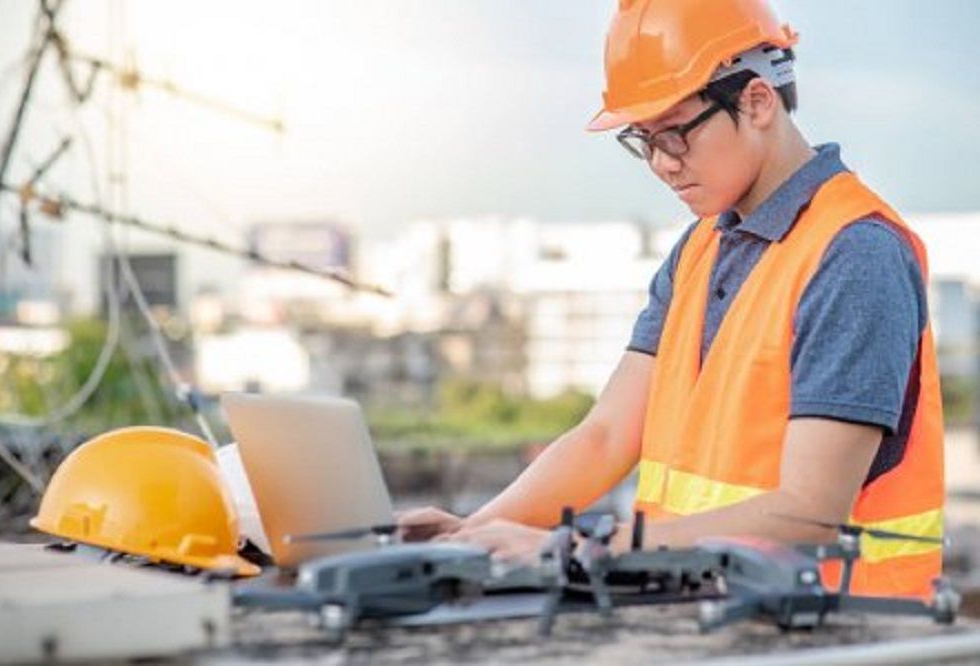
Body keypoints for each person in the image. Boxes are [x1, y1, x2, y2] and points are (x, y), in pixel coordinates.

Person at [399, 0, 944, 598]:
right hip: (700, 608)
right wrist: (476, 532)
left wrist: (582, 549)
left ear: (758, 102)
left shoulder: (854, 254)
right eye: (644, 139)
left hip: (836, 631)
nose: (661, 163)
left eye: (676, 132)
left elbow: (806, 513)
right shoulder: (700, 248)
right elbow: (605, 436)